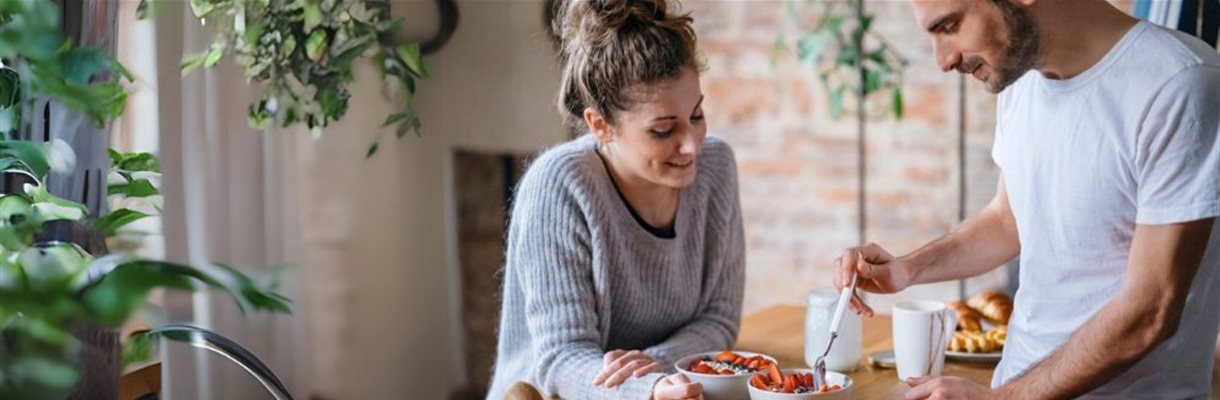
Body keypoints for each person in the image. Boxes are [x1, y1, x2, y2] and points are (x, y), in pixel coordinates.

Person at [836, 0, 1220, 398]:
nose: (943, 60)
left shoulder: (1180, 83)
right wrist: (906, 270)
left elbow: (1151, 311)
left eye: (949, 25)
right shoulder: (1021, 82)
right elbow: (1008, 219)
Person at [486, 0, 745, 399]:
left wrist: (656, 367)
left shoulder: (717, 166)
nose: (692, 145)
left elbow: (719, 319)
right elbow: (560, 359)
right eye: (662, 130)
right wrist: (650, 386)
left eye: (696, 116)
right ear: (600, 125)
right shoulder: (559, 185)